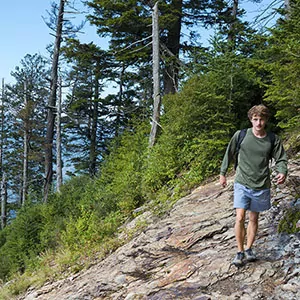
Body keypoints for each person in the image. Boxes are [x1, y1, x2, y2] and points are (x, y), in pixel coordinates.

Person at [219, 104, 288, 267]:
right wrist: (223, 173)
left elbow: (281, 158)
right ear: (251, 120)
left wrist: (282, 171)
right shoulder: (241, 135)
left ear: (266, 120)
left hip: (262, 184)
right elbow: (228, 153)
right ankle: (239, 251)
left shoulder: (272, 139)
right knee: (240, 216)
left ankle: (249, 249)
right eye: (255, 119)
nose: (258, 123)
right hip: (242, 182)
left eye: (261, 119)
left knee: (253, 218)